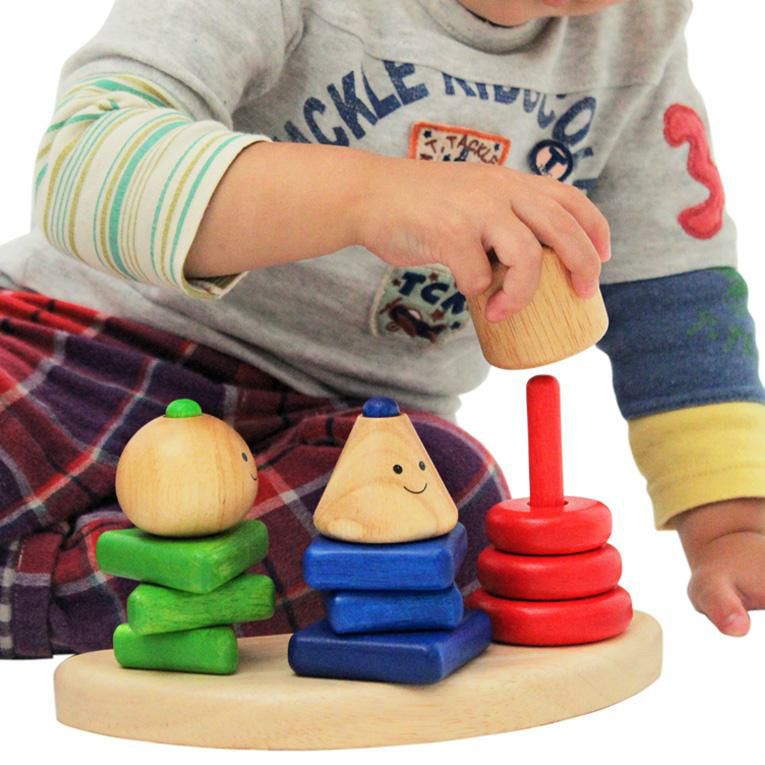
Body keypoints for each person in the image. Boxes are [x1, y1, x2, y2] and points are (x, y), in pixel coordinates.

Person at [0, 0, 763, 658]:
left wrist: (732, 523)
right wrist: (370, 196)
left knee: (448, 510)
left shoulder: (640, 31)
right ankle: (118, 587)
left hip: (346, 435)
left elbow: (674, 292)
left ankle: (52, 595)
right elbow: (81, 164)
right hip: (80, 352)